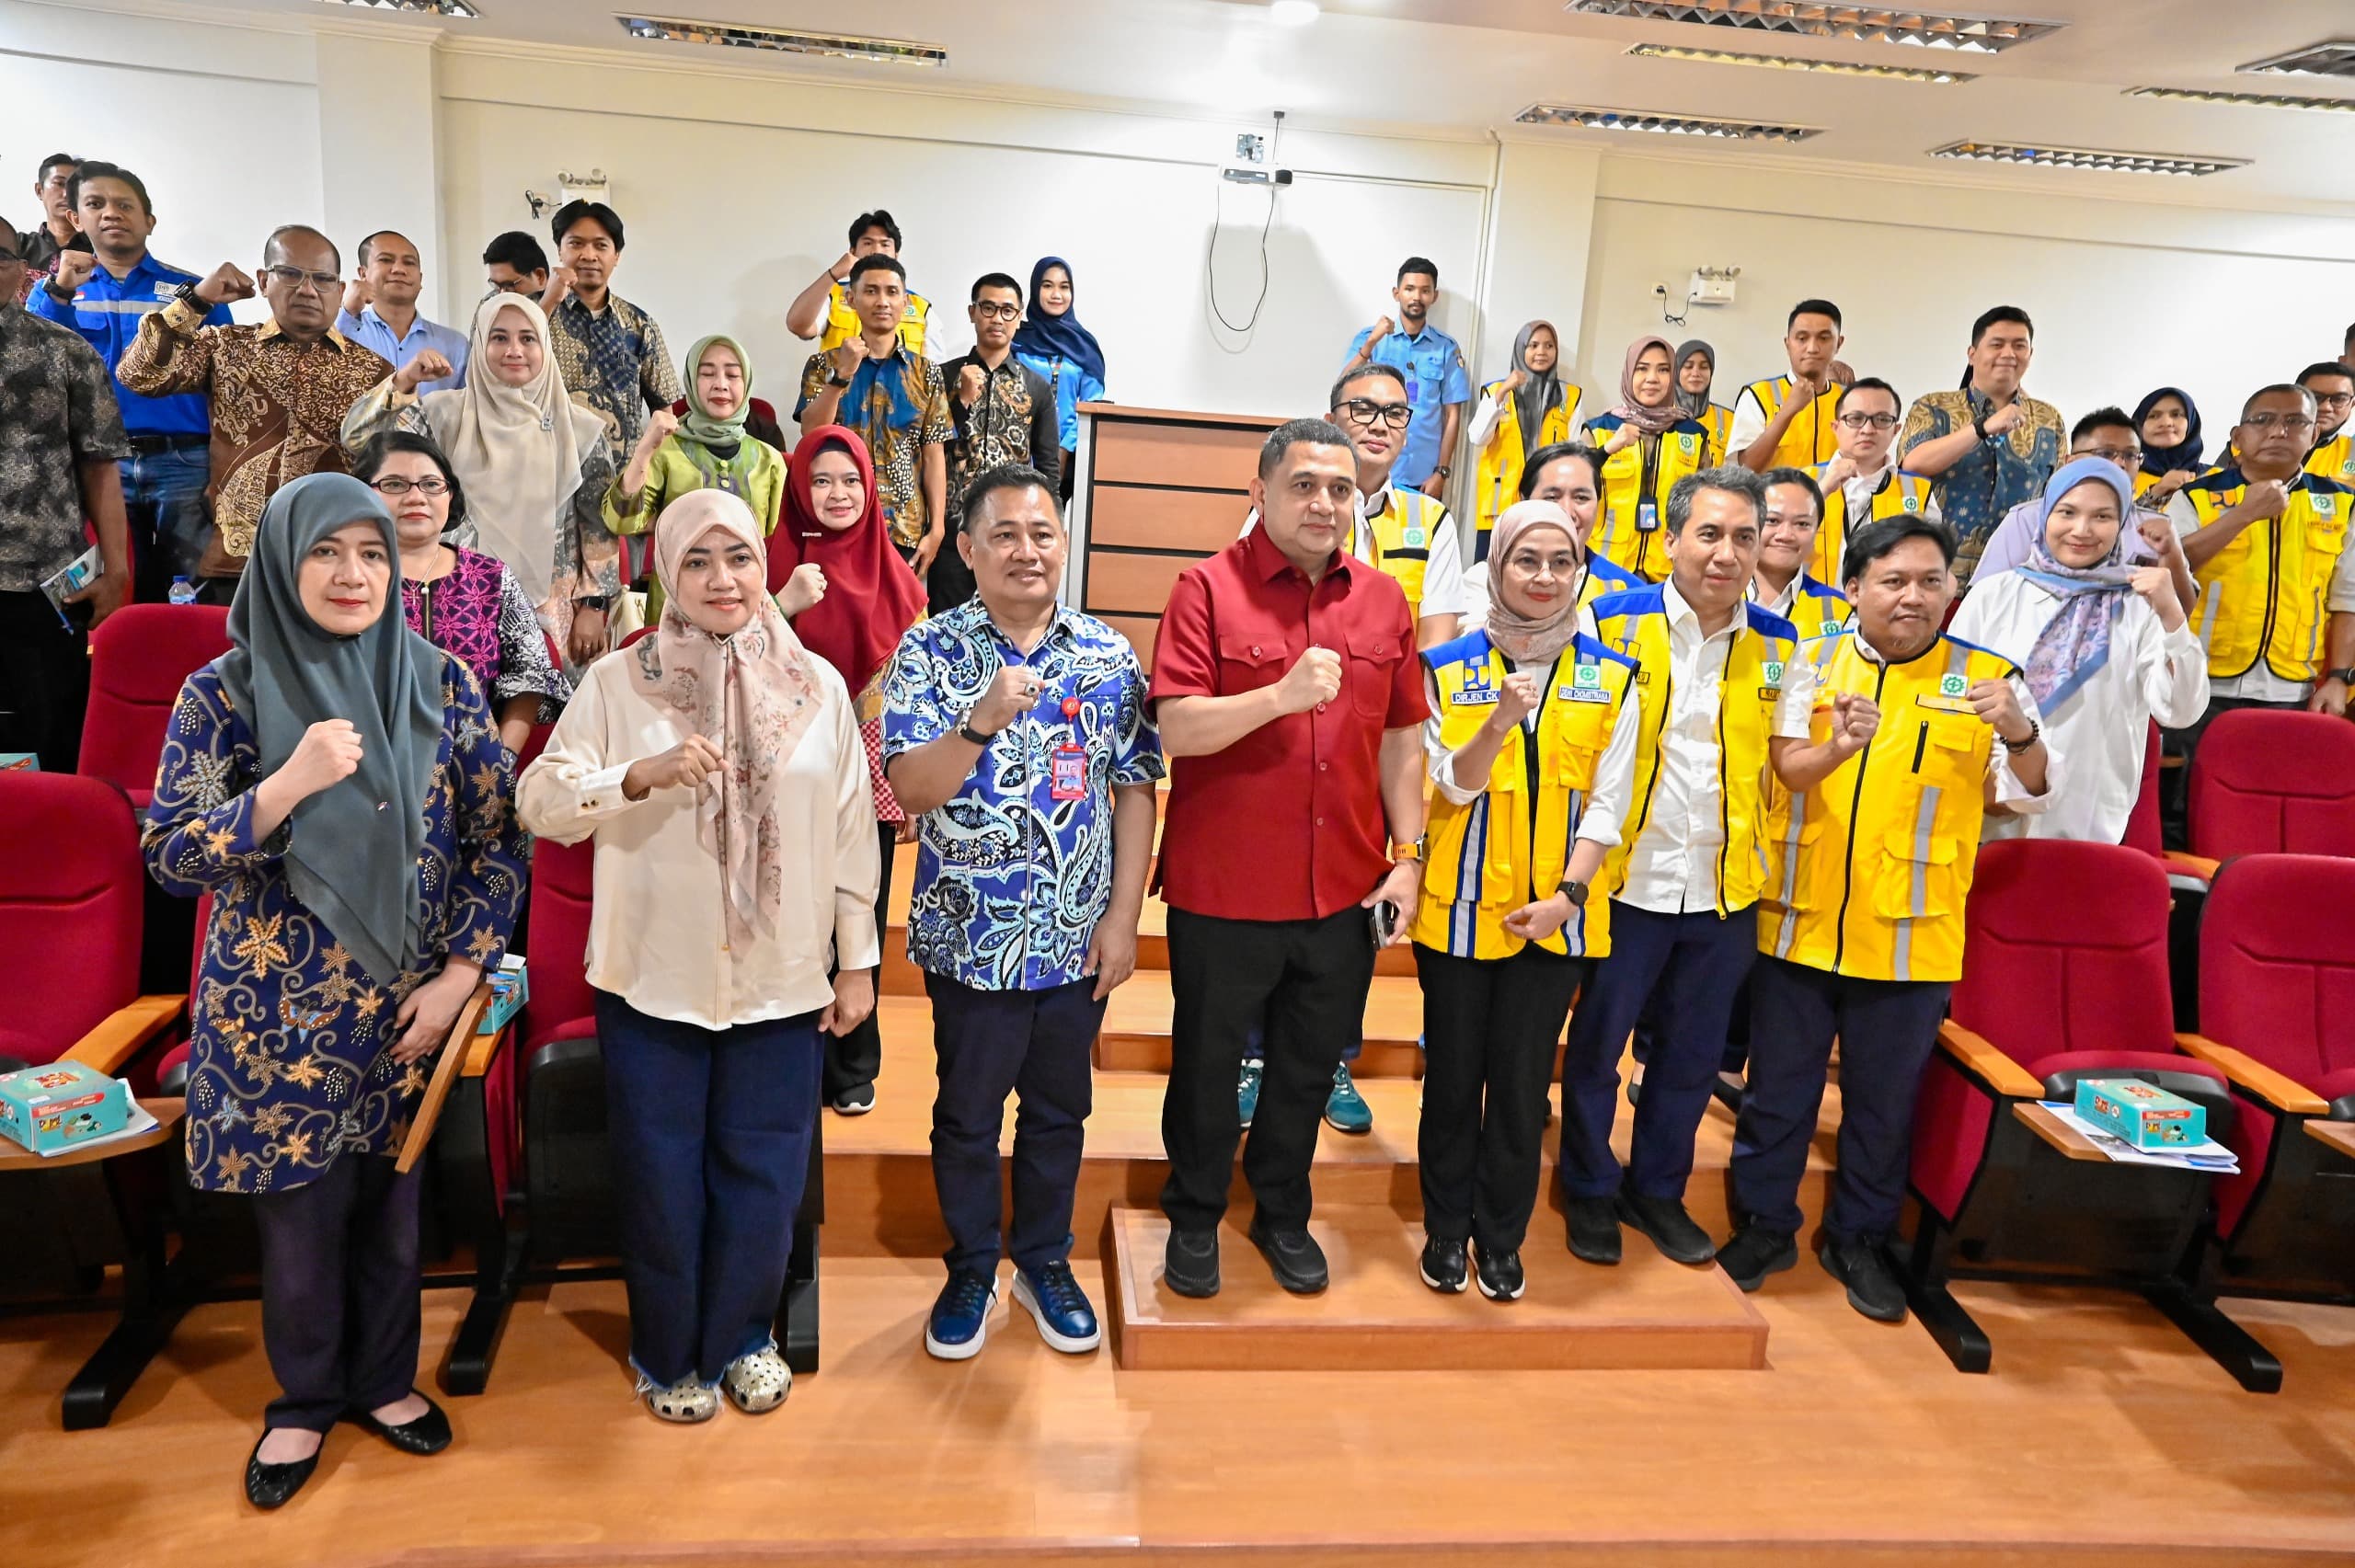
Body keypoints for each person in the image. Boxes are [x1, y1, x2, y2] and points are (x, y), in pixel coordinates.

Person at [143, 473, 525, 1506]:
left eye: (369, 552)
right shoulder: (222, 692)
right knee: (302, 1226)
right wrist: (284, 786)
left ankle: (385, 1382)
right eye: (326, 552)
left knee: (394, 1209)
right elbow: (171, 856)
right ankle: (306, 1401)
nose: (353, 573)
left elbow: (498, 843)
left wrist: (458, 975)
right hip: (275, 1026)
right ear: (280, 560)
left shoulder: (439, 680)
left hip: (406, 1013)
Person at [516, 489, 879, 1424]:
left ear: (766, 567)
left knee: (764, 1170)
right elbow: (539, 803)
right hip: (654, 973)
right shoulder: (617, 684)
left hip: (782, 974)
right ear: (667, 575)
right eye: (698, 562)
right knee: (660, 1170)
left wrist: (857, 960)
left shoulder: (818, 685)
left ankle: (742, 1337)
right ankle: (666, 1349)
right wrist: (633, 774)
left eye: (740, 558)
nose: (723, 579)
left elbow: (850, 835)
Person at [1725, 515, 2058, 1322]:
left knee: (1881, 1105)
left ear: (1952, 590)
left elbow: (2035, 785)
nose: (1913, 597)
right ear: (1854, 589)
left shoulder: (1988, 678)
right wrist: (1836, 746)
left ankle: (1860, 1240)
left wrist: (2017, 727)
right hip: (1800, 924)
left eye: (1930, 581)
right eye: (1893, 581)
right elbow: (1784, 773)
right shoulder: (1808, 663)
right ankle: (1764, 1226)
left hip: (1913, 936)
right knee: (1777, 1094)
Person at [884, 463, 1162, 1358]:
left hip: (1076, 938)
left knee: (1058, 1110)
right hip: (971, 939)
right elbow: (911, 791)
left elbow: (1133, 787)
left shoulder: (1107, 655)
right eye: (1003, 534)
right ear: (966, 550)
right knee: (966, 1113)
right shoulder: (930, 651)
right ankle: (971, 1263)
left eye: (1042, 533)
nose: (1026, 550)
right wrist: (977, 721)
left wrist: (1122, 919)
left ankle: (1043, 1259)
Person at [1150, 418, 1427, 1298]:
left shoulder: (1384, 602)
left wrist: (1408, 854)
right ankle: (1193, 1215)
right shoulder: (1206, 589)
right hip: (1226, 887)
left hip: (1343, 887)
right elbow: (1178, 730)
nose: (1324, 503)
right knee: (1204, 1063)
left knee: (1307, 1067)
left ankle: (1279, 1207)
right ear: (1260, 492)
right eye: (1305, 484)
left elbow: (1403, 740)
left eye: (1341, 489)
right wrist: (1278, 694)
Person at [1557, 468, 1795, 1269]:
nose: (1726, 553)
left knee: (1692, 1057)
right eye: (1710, 533)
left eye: (1744, 537)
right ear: (1670, 540)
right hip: (1623, 880)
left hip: (1725, 886)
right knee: (1597, 1048)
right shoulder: (1610, 620)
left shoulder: (1780, 640)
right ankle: (1587, 1186)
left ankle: (1655, 1189)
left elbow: (1785, 761)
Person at [1411, 499, 1637, 1300]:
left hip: (1557, 920)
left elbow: (1610, 802)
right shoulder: (1450, 665)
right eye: (1525, 561)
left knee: (1518, 1088)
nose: (1544, 577)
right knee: (1452, 1081)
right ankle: (1444, 1232)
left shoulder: (1611, 672)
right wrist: (1501, 721)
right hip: (1462, 914)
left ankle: (1500, 1238)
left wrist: (1568, 896)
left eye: (1560, 562)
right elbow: (1449, 782)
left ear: (1579, 570)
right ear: (1497, 567)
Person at [768, 424, 927, 1115]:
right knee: (793, 917)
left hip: (872, 770)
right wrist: (783, 605)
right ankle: (792, 1057)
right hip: (786, 768)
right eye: (822, 480)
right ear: (800, 488)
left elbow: (919, 695)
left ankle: (854, 1060)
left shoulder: (901, 579)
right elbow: (732, 663)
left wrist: (912, 779)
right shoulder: (767, 566)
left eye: (851, 481)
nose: (837, 494)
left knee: (859, 911)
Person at [340, 292, 619, 671]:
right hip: (456, 598)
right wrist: (405, 380)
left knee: (545, 717)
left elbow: (597, 528)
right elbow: (359, 439)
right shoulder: (443, 414)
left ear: (545, 345)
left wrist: (594, 606)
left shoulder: (581, 429)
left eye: (528, 338)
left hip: (554, 607)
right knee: (459, 704)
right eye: (499, 338)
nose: (514, 350)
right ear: (480, 344)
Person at [116, 224, 389, 602]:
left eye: (323, 279)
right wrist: (195, 300)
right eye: (291, 274)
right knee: (233, 660)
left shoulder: (374, 371)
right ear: (264, 280)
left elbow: (385, 469)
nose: (307, 290)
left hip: (336, 561)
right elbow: (139, 375)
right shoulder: (226, 347)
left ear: (340, 291)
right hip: (240, 563)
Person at [1950, 457, 2206, 843]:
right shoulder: (1993, 595)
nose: (2081, 530)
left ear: (2121, 524)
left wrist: (2172, 614)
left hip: (2086, 815)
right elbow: (1951, 696)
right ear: (2044, 515)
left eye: (2103, 517)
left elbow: (2180, 710)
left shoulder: (2138, 605)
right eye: (2066, 512)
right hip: (1989, 809)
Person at [28, 159, 228, 601]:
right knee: (109, 589)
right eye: (96, 204)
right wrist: (60, 291)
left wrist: (222, 472)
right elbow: (35, 368)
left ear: (149, 221)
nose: (111, 213)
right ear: (75, 218)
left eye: (125, 205)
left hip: (185, 462)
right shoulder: (52, 292)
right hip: (97, 467)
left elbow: (227, 389)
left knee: (198, 588)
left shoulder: (193, 291)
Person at [0, 212, 132, 771]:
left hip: (45, 582)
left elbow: (100, 467)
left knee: (50, 736)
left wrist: (118, 573)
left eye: (1, 256)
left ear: (21, 270)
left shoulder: (65, 351)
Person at [353, 429, 569, 755]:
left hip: (471, 774)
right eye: (394, 484)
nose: (416, 497)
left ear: (449, 495)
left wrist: (501, 765)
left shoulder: (491, 578)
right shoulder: (345, 579)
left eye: (431, 484)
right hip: (362, 768)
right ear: (361, 494)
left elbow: (532, 676)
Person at [2171, 384, 2355, 741]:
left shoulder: (2342, 504)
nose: (2278, 431)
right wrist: (2244, 514)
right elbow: (2172, 568)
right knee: (2187, 793)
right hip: (2198, 681)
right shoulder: (2196, 496)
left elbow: (2347, 600)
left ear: (2314, 434)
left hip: (2294, 690)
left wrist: (2338, 678)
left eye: (2295, 421)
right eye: (2263, 420)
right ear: (2238, 436)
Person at [606, 335, 790, 623]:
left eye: (732, 374)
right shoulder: (665, 450)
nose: (720, 384)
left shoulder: (770, 461)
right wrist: (644, 451)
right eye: (706, 374)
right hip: (675, 606)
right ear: (691, 381)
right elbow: (622, 521)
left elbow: (773, 542)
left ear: (747, 382)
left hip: (744, 606)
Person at [796, 255, 953, 580]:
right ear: (851, 299)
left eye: (891, 292)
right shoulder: (822, 365)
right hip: (837, 521)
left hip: (904, 529)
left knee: (902, 628)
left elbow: (934, 454)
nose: (882, 301)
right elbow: (811, 433)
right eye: (871, 291)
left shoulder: (926, 373)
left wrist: (936, 528)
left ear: (905, 301)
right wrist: (841, 376)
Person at [1897, 305, 2064, 587]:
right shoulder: (1934, 406)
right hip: (1937, 578)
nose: (2009, 354)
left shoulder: (2049, 419)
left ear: (2030, 355)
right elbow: (1912, 465)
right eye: (1997, 344)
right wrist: (1980, 429)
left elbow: (2057, 498)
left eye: (2019, 346)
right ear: (1972, 354)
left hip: (2015, 583)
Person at [1970, 409, 2197, 613]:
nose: (2119, 464)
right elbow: (1983, 600)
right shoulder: (2027, 519)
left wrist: (2172, 554)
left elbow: (2183, 613)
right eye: (2105, 453)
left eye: (2130, 455)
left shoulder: (2157, 527)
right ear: (2069, 461)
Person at [932, 274, 1059, 612]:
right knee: (949, 627)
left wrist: (1050, 530)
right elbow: (929, 452)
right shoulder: (943, 377)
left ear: (1019, 319)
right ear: (972, 312)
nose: (997, 318)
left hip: (1010, 535)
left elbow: (1047, 470)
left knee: (1008, 620)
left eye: (1007, 310)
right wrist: (960, 401)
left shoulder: (1036, 387)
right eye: (988, 308)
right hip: (952, 532)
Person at [540, 200, 681, 465]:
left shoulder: (640, 325)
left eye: (601, 245)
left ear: (616, 256)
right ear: (560, 249)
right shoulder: (533, 313)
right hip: (549, 472)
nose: (589, 255)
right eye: (576, 243)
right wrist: (548, 302)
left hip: (620, 478)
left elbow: (664, 409)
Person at [1581, 336, 1714, 583]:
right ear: (1629, 373)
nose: (1652, 378)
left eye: (1663, 370)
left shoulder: (1693, 435)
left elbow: (1706, 506)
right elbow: (1574, 487)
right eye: (1642, 369)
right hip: (1604, 569)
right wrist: (1609, 449)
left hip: (1669, 571)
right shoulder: (1600, 430)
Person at [1338, 257, 1470, 496]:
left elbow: (1452, 416)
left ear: (1434, 296)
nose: (1416, 297)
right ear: (1396, 293)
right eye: (1409, 289)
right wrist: (1371, 343)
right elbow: (1341, 388)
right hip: (1369, 468)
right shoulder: (1373, 338)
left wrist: (1442, 473)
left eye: (1424, 290)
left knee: (1416, 533)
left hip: (1422, 476)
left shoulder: (1446, 348)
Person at [1465, 319, 1579, 552]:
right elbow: (1477, 437)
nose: (1541, 352)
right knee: (1488, 579)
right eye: (1533, 345)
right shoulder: (1497, 390)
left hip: (1548, 506)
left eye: (1549, 346)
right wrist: (1503, 392)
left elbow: (1577, 453)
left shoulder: (1569, 396)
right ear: (1521, 349)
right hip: (1500, 510)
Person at [1810, 378, 1936, 589]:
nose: (1867, 429)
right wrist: (1821, 490)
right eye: (1855, 418)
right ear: (1836, 427)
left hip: (1887, 613)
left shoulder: (1919, 491)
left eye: (1881, 419)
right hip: (1809, 614)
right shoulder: (1804, 482)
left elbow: (1933, 562)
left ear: (1896, 429)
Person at [1010, 256, 1105, 503]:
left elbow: (1090, 405)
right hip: (1015, 452)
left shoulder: (1084, 346)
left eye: (1064, 287)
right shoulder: (1018, 341)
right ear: (1034, 289)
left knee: (1048, 528)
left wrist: (1063, 449)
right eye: (1047, 285)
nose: (1056, 294)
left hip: (1066, 458)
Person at [336, 230, 467, 395]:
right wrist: (348, 313)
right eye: (385, 260)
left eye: (409, 262)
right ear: (363, 273)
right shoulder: (343, 333)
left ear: (420, 279)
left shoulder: (456, 345)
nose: (399, 269)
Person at [786, 210, 930, 357]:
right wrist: (833, 274)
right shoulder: (833, 296)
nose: (876, 251)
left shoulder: (921, 308)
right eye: (868, 243)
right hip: (839, 379)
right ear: (852, 251)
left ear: (896, 255)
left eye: (885, 244)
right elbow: (798, 326)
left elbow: (936, 370)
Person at [1732, 301, 1846, 474]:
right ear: (1787, 344)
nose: (1812, 348)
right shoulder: (1758, 396)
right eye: (1802, 338)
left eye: (1823, 338)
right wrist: (1787, 411)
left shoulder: (1848, 400)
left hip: (1836, 500)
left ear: (1839, 343)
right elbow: (1745, 470)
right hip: (1772, 500)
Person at [1752, 468, 1852, 636]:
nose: (1785, 535)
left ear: (1816, 531)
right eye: (1772, 520)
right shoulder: (1713, 597)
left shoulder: (1843, 611)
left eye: (1802, 524)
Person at [15, 153, 75, 303]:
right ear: (39, 190)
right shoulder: (17, 246)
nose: (67, 193)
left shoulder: (98, 252)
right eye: (59, 184)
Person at [2133, 387, 2204, 507]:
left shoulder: (2216, 476)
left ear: (2191, 422)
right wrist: (2157, 491)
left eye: (2176, 415)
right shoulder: (2122, 479)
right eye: (2154, 416)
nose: (2166, 422)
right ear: (2139, 425)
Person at [1672, 339, 1733, 464]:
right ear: (1676, 371)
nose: (1695, 373)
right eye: (1688, 366)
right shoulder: (1661, 418)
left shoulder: (1730, 419)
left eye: (1704, 367)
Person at [2298, 361, 2355, 487]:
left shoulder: (2353, 453)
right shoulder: (2248, 443)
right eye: (2316, 397)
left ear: (2352, 405)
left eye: (2339, 399)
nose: (2326, 407)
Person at [481, 231, 549, 299]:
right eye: (496, 285)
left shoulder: (558, 304)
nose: (502, 295)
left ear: (539, 276)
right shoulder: (489, 302)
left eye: (510, 285)